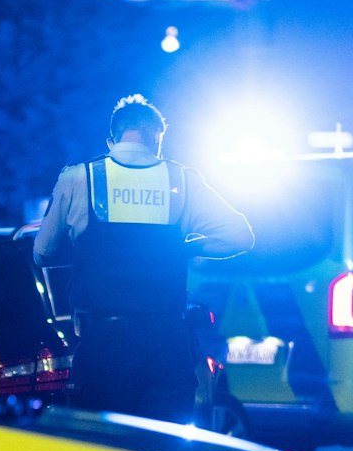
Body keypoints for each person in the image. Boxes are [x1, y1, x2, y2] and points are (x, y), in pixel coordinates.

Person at [34, 94, 253, 421]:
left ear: (113, 139)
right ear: (157, 138)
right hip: (166, 344)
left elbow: (43, 253)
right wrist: (187, 247)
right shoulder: (182, 180)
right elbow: (240, 236)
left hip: (102, 344)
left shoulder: (79, 178)